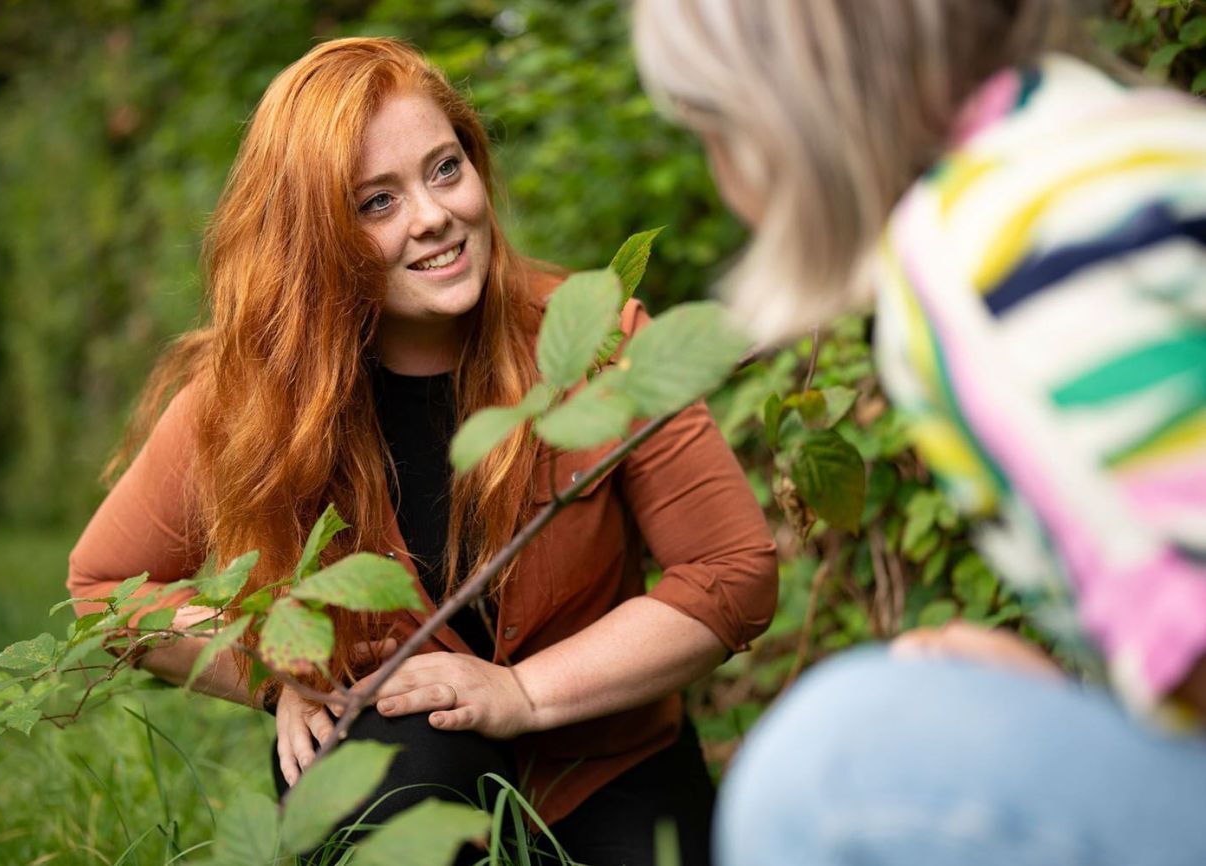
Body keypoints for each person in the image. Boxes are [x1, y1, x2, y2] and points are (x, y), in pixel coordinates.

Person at [67, 37, 778, 866]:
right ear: (314, 238)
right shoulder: (252, 398)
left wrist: (524, 694)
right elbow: (102, 589)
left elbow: (733, 570)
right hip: (399, 763)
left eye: (445, 170)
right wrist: (272, 673)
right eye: (377, 203)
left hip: (609, 762)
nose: (434, 214)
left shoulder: (597, 343)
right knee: (397, 773)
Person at [633, 1, 1206, 864]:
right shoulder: (1131, 132)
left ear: (778, 112)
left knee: (830, 766)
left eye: (710, 127)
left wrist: (1055, 706)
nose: (719, 176)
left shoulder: (982, 259)